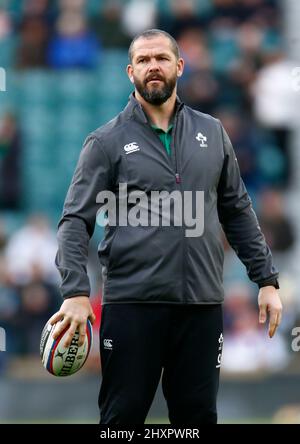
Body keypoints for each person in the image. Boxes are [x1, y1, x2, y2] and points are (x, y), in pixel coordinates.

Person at [50, 29, 282, 424]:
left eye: (160, 58)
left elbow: (238, 211)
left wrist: (267, 281)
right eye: (142, 60)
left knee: (197, 421)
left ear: (179, 65)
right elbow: (75, 221)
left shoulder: (212, 132)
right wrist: (75, 291)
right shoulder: (104, 142)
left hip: (202, 307)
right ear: (130, 72)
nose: (152, 66)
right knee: (121, 421)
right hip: (132, 306)